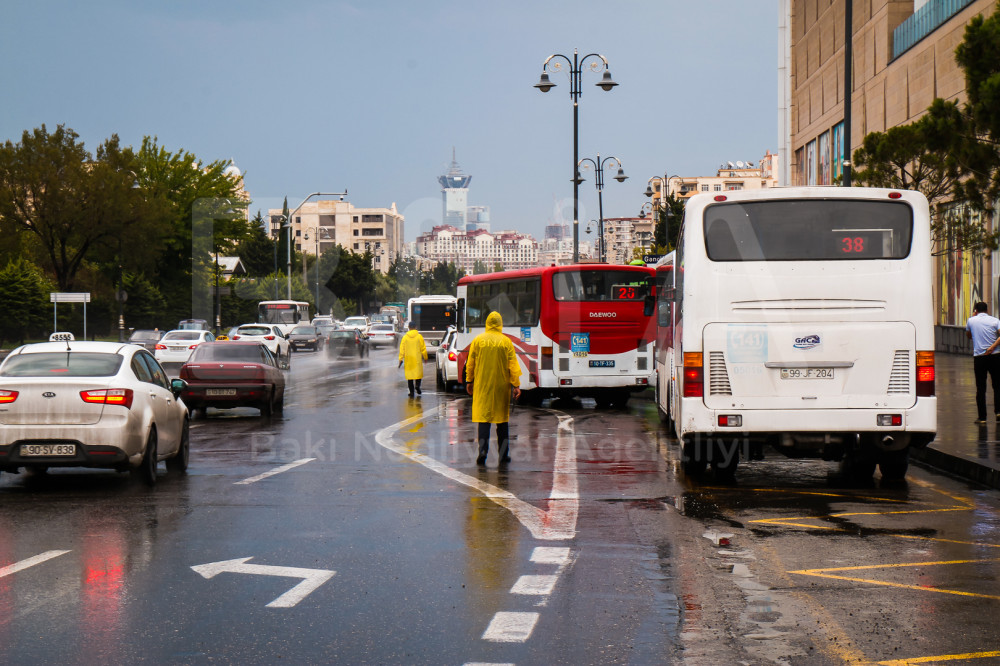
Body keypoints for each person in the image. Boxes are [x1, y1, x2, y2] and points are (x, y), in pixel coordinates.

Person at [465, 311, 521, 465]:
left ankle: (482, 452)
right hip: (501, 388)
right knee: (502, 422)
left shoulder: (477, 341)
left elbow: (470, 364)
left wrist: (469, 381)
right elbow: (513, 366)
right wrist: (516, 385)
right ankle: (504, 455)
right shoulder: (506, 342)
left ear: (487, 323)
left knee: (484, 420)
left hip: (482, 386)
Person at [967, 301, 1000, 423]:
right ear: (987, 310)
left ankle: (982, 418)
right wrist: (992, 347)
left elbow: (969, 335)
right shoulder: (995, 321)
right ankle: (998, 412)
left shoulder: (971, 321)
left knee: (981, 387)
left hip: (979, 357)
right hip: (996, 356)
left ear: (976, 310)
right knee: (997, 385)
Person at [398, 321, 427, 398]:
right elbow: (423, 348)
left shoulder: (405, 337)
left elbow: (402, 349)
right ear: (416, 327)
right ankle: (417, 386)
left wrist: (400, 359)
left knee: (410, 377)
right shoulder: (419, 337)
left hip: (408, 360)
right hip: (417, 359)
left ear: (409, 327)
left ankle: (411, 392)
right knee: (418, 375)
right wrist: (425, 357)